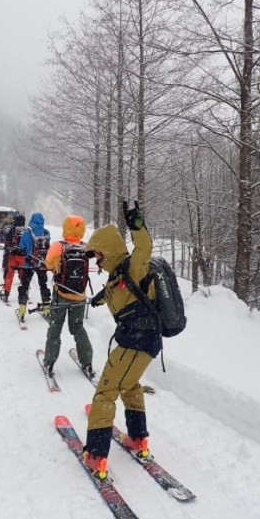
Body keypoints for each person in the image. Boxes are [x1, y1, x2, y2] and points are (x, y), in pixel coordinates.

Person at [82, 201, 161, 481]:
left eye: (98, 255)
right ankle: (138, 439)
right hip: (144, 342)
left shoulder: (133, 266)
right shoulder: (117, 277)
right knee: (129, 386)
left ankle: (96, 455)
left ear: (109, 251)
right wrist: (100, 297)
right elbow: (122, 292)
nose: (97, 261)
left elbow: (145, 249)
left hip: (134, 342)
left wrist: (136, 224)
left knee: (105, 393)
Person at [43, 215, 94, 377]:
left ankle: (50, 361)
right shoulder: (86, 247)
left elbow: (47, 264)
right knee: (78, 327)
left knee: (55, 327)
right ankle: (87, 361)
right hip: (80, 295)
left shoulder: (58, 246)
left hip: (61, 294)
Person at [17, 212, 51, 321]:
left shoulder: (27, 233)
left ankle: (22, 311)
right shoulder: (46, 233)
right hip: (42, 264)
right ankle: (46, 309)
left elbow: (22, 248)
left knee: (25, 286)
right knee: (43, 285)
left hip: (28, 264)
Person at [1, 213, 27, 303]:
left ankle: (6, 293)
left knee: (9, 275)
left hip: (12, 255)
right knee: (23, 275)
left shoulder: (11, 229)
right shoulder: (27, 231)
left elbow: (6, 240)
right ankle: (24, 294)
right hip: (23, 256)